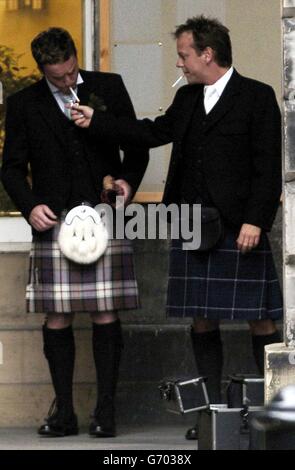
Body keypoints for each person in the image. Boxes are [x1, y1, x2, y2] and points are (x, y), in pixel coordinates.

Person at [70, 15, 283, 440]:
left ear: (207, 54)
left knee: (260, 320)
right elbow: (149, 133)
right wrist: (97, 120)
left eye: (184, 55)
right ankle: (210, 414)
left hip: (239, 225)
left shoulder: (257, 97)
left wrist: (256, 220)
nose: (180, 64)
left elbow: (267, 168)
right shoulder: (187, 100)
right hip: (189, 222)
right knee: (202, 320)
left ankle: (271, 414)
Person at [1, 27, 149, 438]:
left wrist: (127, 184)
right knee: (58, 314)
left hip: (104, 212)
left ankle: (106, 412)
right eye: (57, 77)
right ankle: (64, 412)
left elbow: (136, 144)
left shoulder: (108, 87)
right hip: (55, 219)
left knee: (105, 310)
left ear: (74, 57)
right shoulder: (24, 104)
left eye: (70, 73)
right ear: (42, 70)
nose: (67, 82)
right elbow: (11, 167)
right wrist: (30, 206)